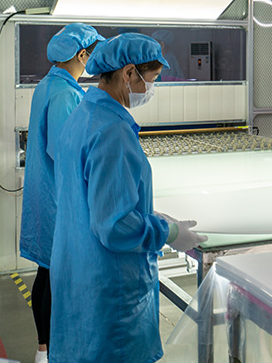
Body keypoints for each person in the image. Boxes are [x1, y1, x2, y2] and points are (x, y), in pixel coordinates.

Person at [48, 33, 205, 363]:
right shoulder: (112, 131)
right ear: (129, 73)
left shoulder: (83, 115)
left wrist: (154, 217)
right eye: (153, 79)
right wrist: (168, 233)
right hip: (110, 289)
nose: (152, 88)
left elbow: (91, 200)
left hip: (78, 270)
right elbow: (115, 226)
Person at [19, 23, 105, 363]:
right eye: (93, 54)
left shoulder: (48, 85)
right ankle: (53, 353)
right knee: (58, 279)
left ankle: (43, 350)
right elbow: (64, 150)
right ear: (82, 55)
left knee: (46, 272)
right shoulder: (66, 94)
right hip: (59, 199)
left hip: (44, 193)